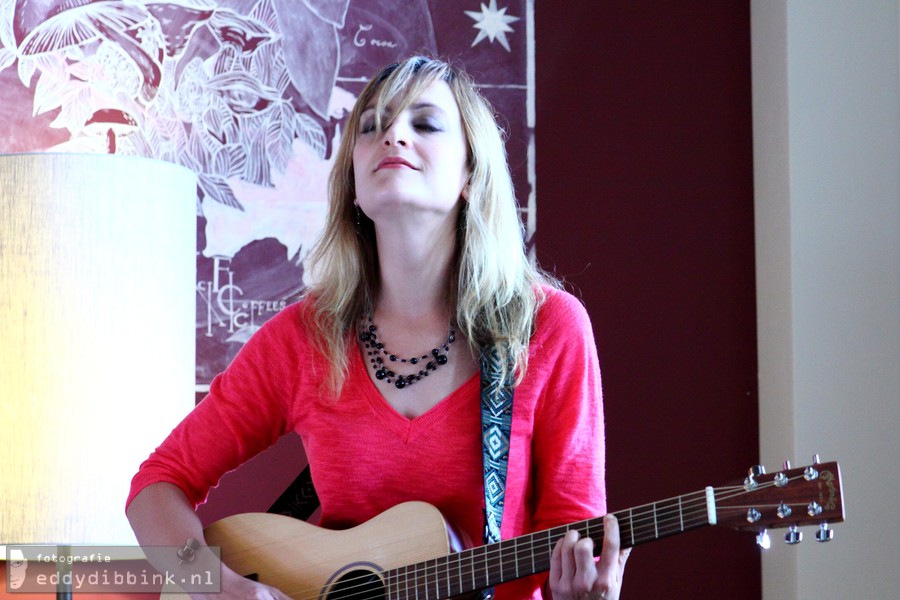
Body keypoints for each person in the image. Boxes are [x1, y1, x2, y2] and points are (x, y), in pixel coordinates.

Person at [126, 55, 629, 600]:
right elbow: (155, 486)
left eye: (426, 123)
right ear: (353, 183)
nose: (393, 135)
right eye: (372, 125)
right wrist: (219, 588)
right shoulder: (303, 339)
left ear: (470, 174)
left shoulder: (548, 329)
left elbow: (572, 542)